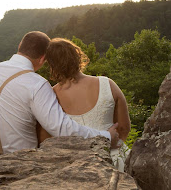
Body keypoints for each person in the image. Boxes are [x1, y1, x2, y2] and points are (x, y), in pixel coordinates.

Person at [0, 31, 119, 160]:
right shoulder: (37, 84)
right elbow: (61, 128)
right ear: (42, 59)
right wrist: (105, 136)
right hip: (17, 162)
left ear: (20, 48)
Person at [38, 38, 131, 172]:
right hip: (116, 160)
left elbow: (44, 139)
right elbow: (123, 128)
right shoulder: (107, 84)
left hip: (75, 166)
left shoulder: (50, 95)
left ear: (52, 65)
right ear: (77, 56)